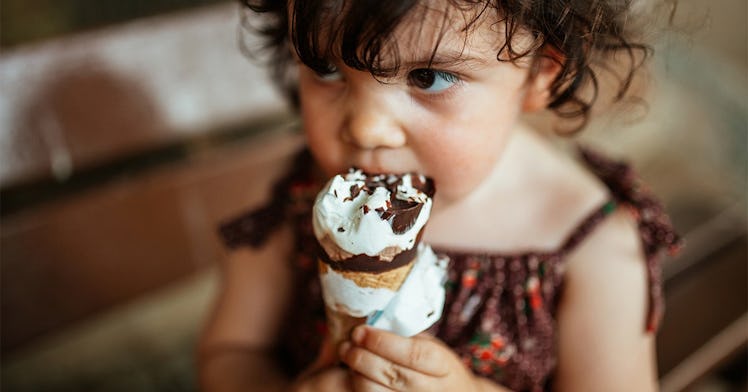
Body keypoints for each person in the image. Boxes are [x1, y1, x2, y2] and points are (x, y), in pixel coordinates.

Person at [198, 0, 681, 391]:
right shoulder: (299, 197)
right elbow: (230, 354)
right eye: (326, 69)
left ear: (540, 74)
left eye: (428, 77)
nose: (366, 128)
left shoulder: (595, 246)